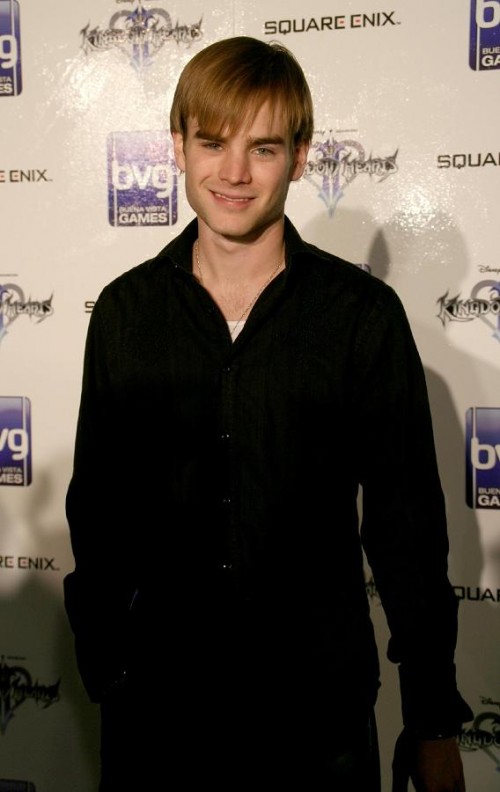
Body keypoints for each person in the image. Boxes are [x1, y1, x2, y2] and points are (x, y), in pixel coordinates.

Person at [63, 35, 472, 791]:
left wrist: (433, 719)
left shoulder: (361, 318)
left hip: (317, 726)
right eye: (212, 142)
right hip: (158, 717)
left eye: (263, 148)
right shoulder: (125, 312)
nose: (235, 173)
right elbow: (99, 508)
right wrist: (107, 664)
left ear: (301, 156)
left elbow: (407, 528)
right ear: (177, 147)